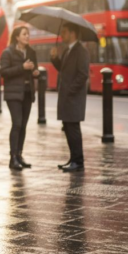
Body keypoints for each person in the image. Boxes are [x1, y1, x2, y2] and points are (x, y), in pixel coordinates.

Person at [50, 22, 89, 172]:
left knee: (73, 129)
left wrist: (71, 90)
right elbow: (63, 70)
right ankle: (73, 159)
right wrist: (54, 59)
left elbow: (83, 74)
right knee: (67, 128)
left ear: (73, 33)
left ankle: (78, 161)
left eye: (64, 32)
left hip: (73, 98)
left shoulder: (81, 51)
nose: (62, 35)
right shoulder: (68, 50)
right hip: (67, 97)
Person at [0, 26, 39, 171]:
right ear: (17, 37)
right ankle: (13, 158)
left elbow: (35, 69)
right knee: (16, 124)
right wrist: (22, 67)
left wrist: (35, 72)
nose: (27, 36)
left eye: (28, 34)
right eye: (24, 34)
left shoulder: (31, 52)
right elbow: (3, 72)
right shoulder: (8, 52)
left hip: (27, 93)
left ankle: (20, 155)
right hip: (13, 94)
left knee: (23, 125)